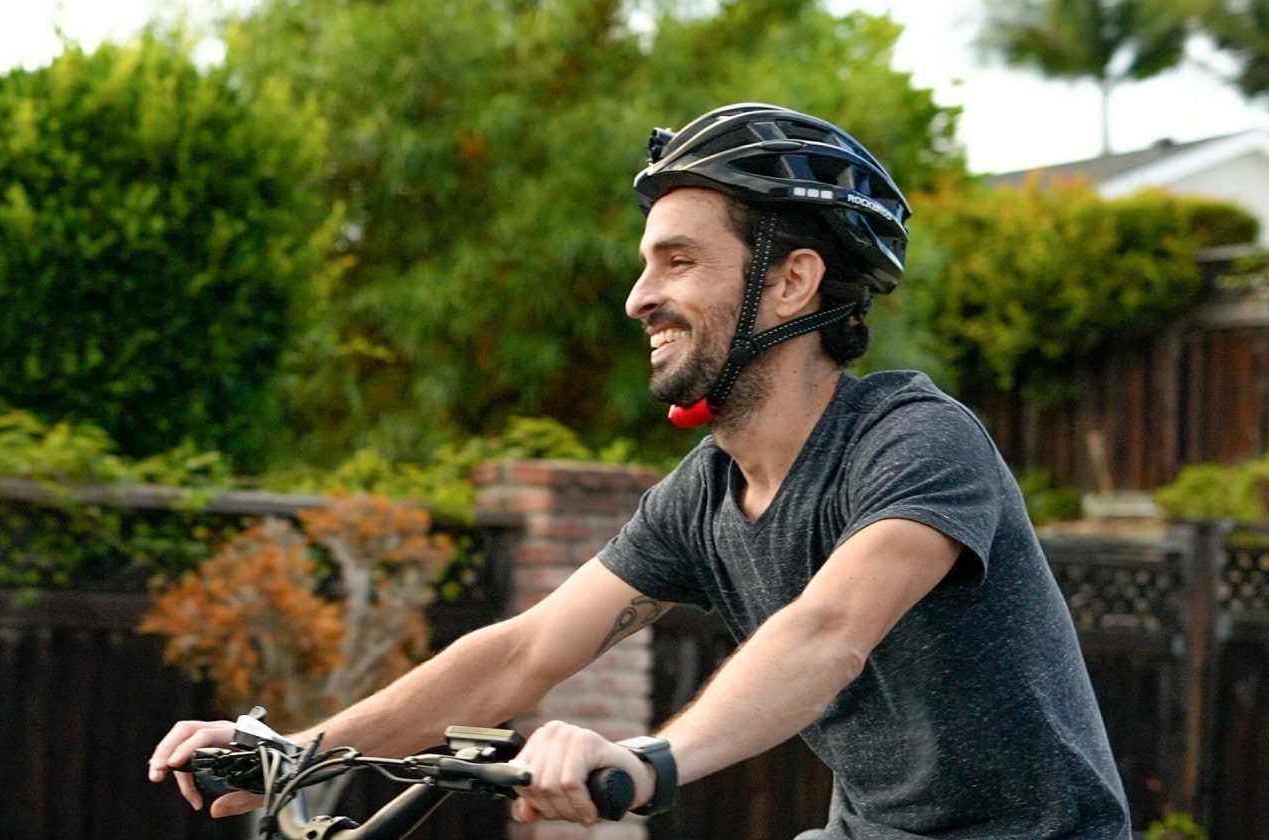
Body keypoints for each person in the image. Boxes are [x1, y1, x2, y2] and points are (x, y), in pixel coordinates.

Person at [146, 103, 1130, 838]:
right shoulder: (701, 496)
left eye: (676, 262)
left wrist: (650, 763)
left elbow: (829, 631)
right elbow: (522, 652)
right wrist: (298, 749)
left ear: (791, 281)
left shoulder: (912, 440)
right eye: (643, 264)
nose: (636, 297)